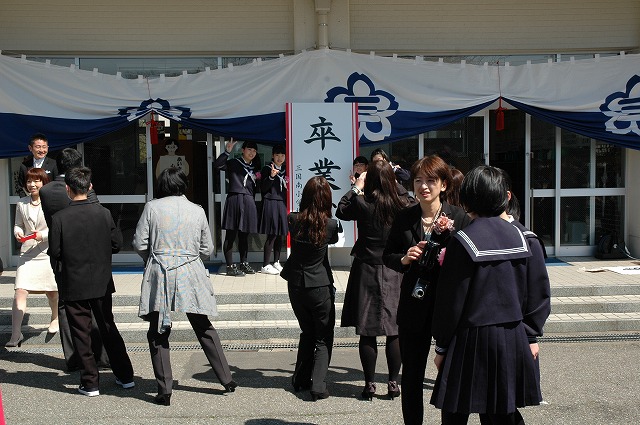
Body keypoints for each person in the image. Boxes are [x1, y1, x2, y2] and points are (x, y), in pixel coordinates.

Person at [430, 165, 551, 424]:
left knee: (455, 409)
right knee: (502, 412)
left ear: (467, 199)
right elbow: (538, 294)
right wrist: (530, 334)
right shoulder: (525, 238)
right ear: (503, 196)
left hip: (469, 337)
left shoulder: (463, 240)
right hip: (513, 335)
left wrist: (441, 345)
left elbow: (450, 302)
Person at [133, 167, 236, 406]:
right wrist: (190, 256)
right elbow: (207, 249)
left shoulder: (152, 208)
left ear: (162, 185)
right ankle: (226, 379)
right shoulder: (197, 210)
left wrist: (153, 258)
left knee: (158, 329)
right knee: (202, 325)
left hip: (161, 270)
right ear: (183, 184)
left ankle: (164, 390)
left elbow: (139, 242)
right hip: (190, 270)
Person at [383, 155, 471, 425]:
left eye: (431, 181)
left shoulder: (459, 217)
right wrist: (404, 258)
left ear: (443, 184)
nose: (423, 186)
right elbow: (387, 255)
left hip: (449, 306)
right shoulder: (405, 217)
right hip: (414, 304)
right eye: (418, 180)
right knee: (411, 375)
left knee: (452, 373)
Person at [48, 167, 134, 397]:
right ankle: (125, 375)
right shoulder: (104, 213)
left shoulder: (59, 218)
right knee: (108, 327)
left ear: (67, 189)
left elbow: (55, 251)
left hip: (74, 281)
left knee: (81, 332)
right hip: (101, 280)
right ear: (90, 187)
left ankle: (90, 382)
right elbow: (116, 244)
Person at [336, 160, 410, 400]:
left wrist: (356, 187)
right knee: (394, 330)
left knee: (367, 331)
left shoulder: (362, 202)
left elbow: (341, 209)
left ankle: (369, 384)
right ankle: (393, 382)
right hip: (394, 267)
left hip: (366, 266)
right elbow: (408, 197)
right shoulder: (402, 203)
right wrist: (395, 181)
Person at [39, 147, 109, 371]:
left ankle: (74, 358)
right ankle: (100, 356)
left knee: (65, 306)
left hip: (60, 254)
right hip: (88, 254)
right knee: (94, 305)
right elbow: (94, 213)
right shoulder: (85, 189)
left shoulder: (46, 191)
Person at [281, 176, 340, 401]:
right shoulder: (330, 224)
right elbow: (332, 239)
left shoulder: (293, 219)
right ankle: (318, 385)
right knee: (323, 336)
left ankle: (300, 380)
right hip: (320, 285)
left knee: (307, 332)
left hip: (296, 283)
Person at [6, 168, 58, 348]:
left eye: (36, 181)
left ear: (44, 182)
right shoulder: (22, 203)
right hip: (27, 253)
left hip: (46, 252)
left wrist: (42, 235)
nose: (32, 184)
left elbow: (57, 226)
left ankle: (55, 317)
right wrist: (18, 233)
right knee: (20, 291)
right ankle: (15, 333)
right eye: (29, 181)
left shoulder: (51, 202)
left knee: (52, 291)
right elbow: (18, 225)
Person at [214, 138, 261, 277]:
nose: (252, 152)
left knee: (244, 235)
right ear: (243, 150)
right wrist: (227, 151)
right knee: (231, 234)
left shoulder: (255, 167)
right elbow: (218, 165)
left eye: (254, 150)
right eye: (249, 149)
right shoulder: (234, 163)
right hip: (235, 199)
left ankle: (243, 263)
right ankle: (229, 266)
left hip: (249, 200)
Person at [258, 144, 288, 275]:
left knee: (280, 234)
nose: (280, 158)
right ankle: (265, 264)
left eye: (282, 155)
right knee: (272, 234)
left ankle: (276, 261)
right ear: (272, 156)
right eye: (277, 155)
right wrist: (271, 176)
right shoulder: (267, 169)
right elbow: (263, 188)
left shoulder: (286, 169)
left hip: (282, 203)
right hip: (270, 202)